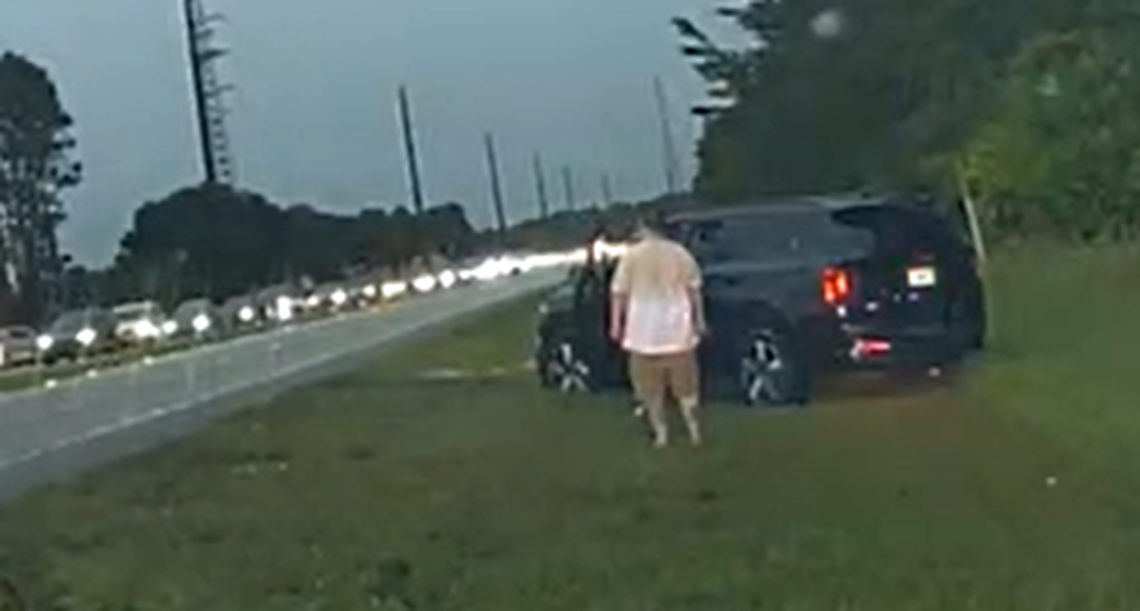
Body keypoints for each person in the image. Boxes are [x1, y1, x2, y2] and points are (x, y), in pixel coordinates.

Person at [609, 216, 706, 447]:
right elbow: (694, 291)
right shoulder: (681, 254)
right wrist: (699, 320)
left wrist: (616, 325)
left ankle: (661, 435)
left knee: (650, 391)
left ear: (644, 229)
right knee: (687, 388)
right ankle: (694, 432)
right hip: (679, 332)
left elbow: (619, 294)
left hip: (642, 335)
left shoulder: (631, 257)